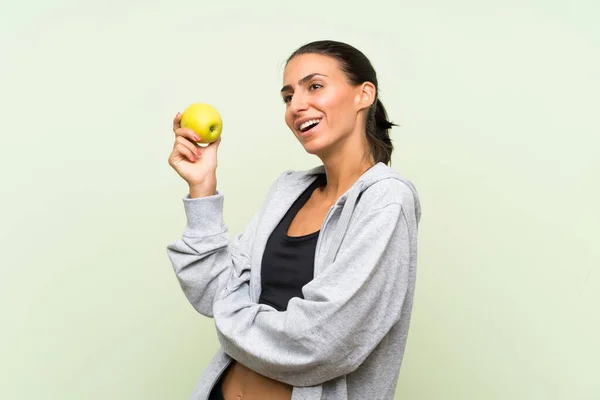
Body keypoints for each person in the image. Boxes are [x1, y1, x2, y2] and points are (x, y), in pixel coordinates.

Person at [166, 40, 421, 400]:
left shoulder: (385, 200)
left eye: (314, 86)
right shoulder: (288, 191)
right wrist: (202, 187)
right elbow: (214, 292)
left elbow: (323, 341)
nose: (297, 106)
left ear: (364, 94)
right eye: (288, 97)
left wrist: (231, 321)